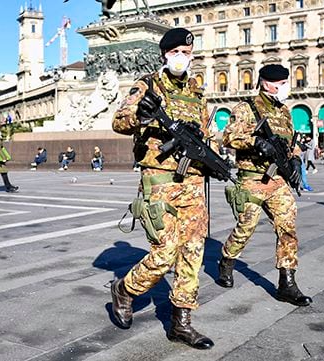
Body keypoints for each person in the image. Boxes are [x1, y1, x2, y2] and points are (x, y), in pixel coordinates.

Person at [110, 27, 215, 350]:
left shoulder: (197, 91)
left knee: (193, 253)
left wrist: (210, 155)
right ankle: (125, 289)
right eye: (176, 53)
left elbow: (205, 132)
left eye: (187, 53)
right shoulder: (148, 84)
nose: (182, 58)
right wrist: (139, 116)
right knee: (165, 253)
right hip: (160, 180)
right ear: (165, 55)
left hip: (193, 181)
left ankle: (181, 322)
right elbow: (119, 121)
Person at [216, 64, 312, 308]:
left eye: (284, 83)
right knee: (246, 227)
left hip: (278, 180)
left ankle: (287, 283)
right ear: (266, 83)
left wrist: (295, 156)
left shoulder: (285, 112)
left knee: (288, 226)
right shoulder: (247, 108)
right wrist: (255, 142)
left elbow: (291, 143)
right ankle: (227, 259)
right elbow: (228, 136)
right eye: (280, 84)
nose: (284, 88)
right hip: (252, 178)